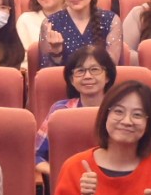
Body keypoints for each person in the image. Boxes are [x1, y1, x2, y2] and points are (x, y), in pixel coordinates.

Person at [35, 45, 114, 175]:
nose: (87, 76)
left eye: (94, 69)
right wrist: (61, 174)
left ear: (107, 77)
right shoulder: (60, 111)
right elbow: (36, 155)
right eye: (80, 71)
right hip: (67, 181)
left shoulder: (119, 111)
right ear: (71, 80)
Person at [41, 0, 121, 68]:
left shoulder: (110, 20)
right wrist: (56, 52)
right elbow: (46, 74)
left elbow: (111, 69)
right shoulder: (50, 23)